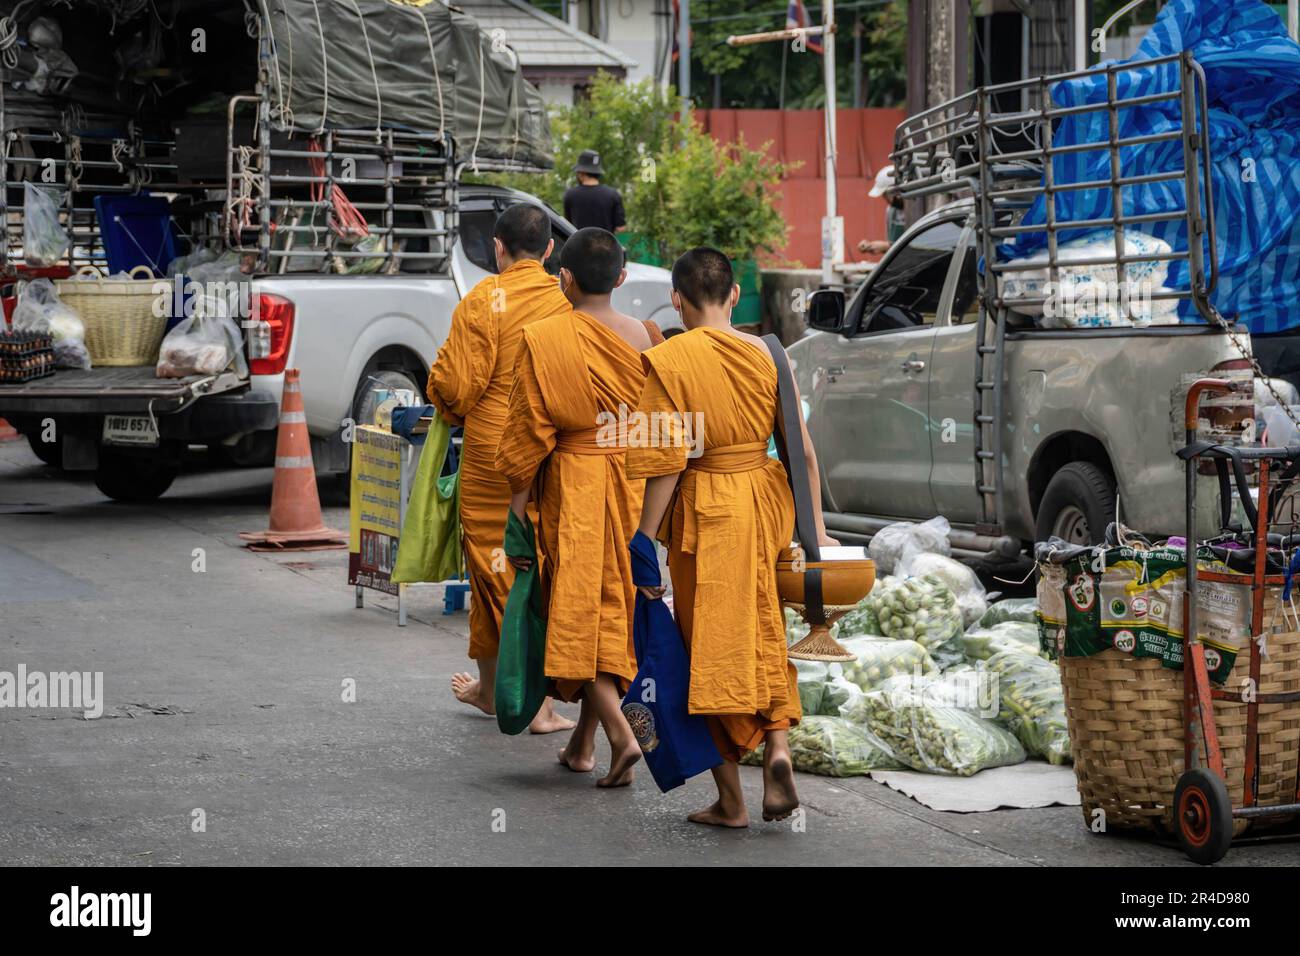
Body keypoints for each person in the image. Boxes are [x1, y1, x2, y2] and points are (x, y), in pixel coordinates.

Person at [628, 247, 837, 827]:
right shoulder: (769, 352)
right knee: (763, 625)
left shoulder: (670, 360)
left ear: (676, 299)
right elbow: (802, 450)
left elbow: (668, 460)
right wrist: (814, 532)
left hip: (707, 508)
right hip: (764, 502)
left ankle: (731, 801)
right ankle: (777, 747)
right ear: (736, 295)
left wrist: (644, 539)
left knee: (704, 647)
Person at [495, 227, 663, 787]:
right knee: (611, 608)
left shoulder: (544, 338)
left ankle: (619, 733)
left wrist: (516, 513)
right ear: (621, 278)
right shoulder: (647, 337)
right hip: (629, 485)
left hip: (574, 484)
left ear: (563, 278)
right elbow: (661, 428)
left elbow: (527, 438)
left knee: (575, 611)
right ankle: (583, 745)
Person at [427, 203, 574, 735]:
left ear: (497, 247)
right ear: (550, 250)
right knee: (535, 568)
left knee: (490, 569)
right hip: (547, 453)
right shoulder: (564, 301)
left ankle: (513, 696)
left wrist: (442, 400)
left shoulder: (483, 299)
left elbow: (458, 386)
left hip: (491, 454)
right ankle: (518, 697)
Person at [563, 150, 627, 234]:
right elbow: (621, 228)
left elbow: (567, 225)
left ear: (581, 172)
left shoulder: (570, 195)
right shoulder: (613, 195)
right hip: (606, 245)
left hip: (579, 246)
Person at [857, 164, 905, 257]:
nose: (885, 199)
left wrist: (886, 247)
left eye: (885, 195)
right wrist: (873, 246)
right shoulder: (890, 211)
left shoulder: (917, 211)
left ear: (895, 191)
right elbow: (890, 243)